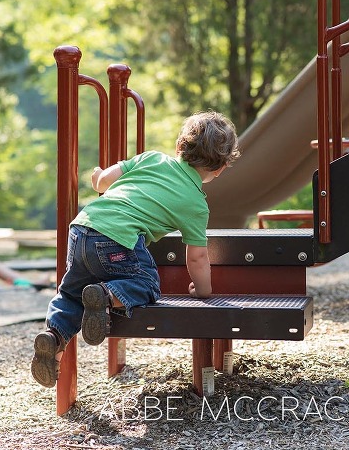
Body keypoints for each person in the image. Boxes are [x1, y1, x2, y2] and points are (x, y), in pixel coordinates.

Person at [31, 111, 240, 388]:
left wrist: (96, 178)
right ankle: (106, 296)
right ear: (221, 168)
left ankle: (54, 337)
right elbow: (198, 256)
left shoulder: (152, 158)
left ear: (180, 146)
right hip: (117, 241)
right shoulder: (196, 204)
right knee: (146, 282)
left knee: (70, 293)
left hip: (82, 228)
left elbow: (105, 181)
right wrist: (203, 291)